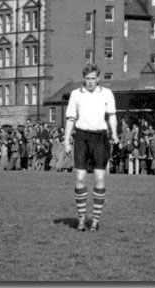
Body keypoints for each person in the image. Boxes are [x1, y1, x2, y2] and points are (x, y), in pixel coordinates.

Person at [64, 63, 119, 232]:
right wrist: (66, 140)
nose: (90, 82)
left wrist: (114, 134)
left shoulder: (107, 93)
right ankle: (81, 218)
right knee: (80, 177)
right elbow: (71, 119)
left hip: (100, 137)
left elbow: (112, 116)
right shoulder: (75, 94)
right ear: (83, 79)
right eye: (87, 79)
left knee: (99, 178)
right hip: (82, 136)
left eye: (93, 78)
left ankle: (95, 220)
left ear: (98, 78)